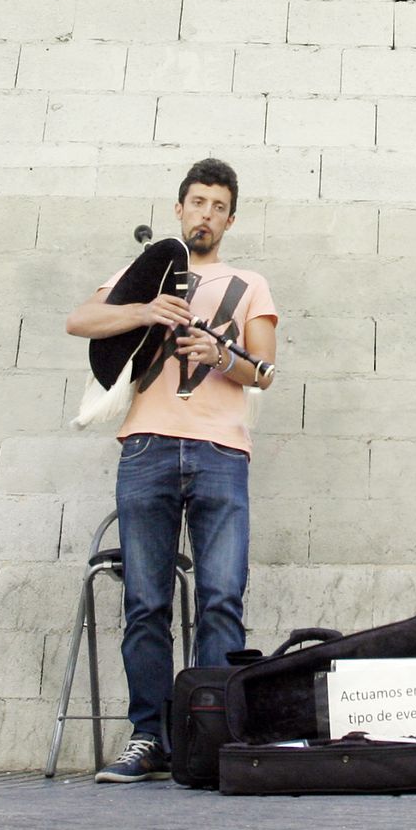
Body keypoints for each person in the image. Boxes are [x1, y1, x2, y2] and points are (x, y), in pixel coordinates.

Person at [65, 158, 277, 783]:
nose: (205, 214)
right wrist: (144, 312)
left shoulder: (249, 282)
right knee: (145, 600)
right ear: (179, 209)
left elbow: (266, 371)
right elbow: (81, 320)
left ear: (230, 218)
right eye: (196, 203)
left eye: (218, 206)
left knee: (220, 599)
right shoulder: (147, 274)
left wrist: (222, 354)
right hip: (146, 447)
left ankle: (209, 738)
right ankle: (148, 739)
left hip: (220, 450)